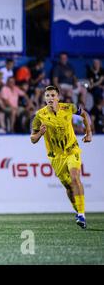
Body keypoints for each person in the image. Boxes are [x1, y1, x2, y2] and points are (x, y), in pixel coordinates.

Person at [30, 86, 92, 229]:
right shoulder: (40, 115)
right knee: (69, 186)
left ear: (58, 97)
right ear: (44, 98)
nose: (50, 98)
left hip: (71, 150)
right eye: (47, 96)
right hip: (56, 157)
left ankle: (82, 214)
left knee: (75, 178)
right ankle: (78, 211)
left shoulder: (69, 108)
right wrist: (40, 133)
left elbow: (85, 114)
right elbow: (32, 139)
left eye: (52, 95)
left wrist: (88, 132)